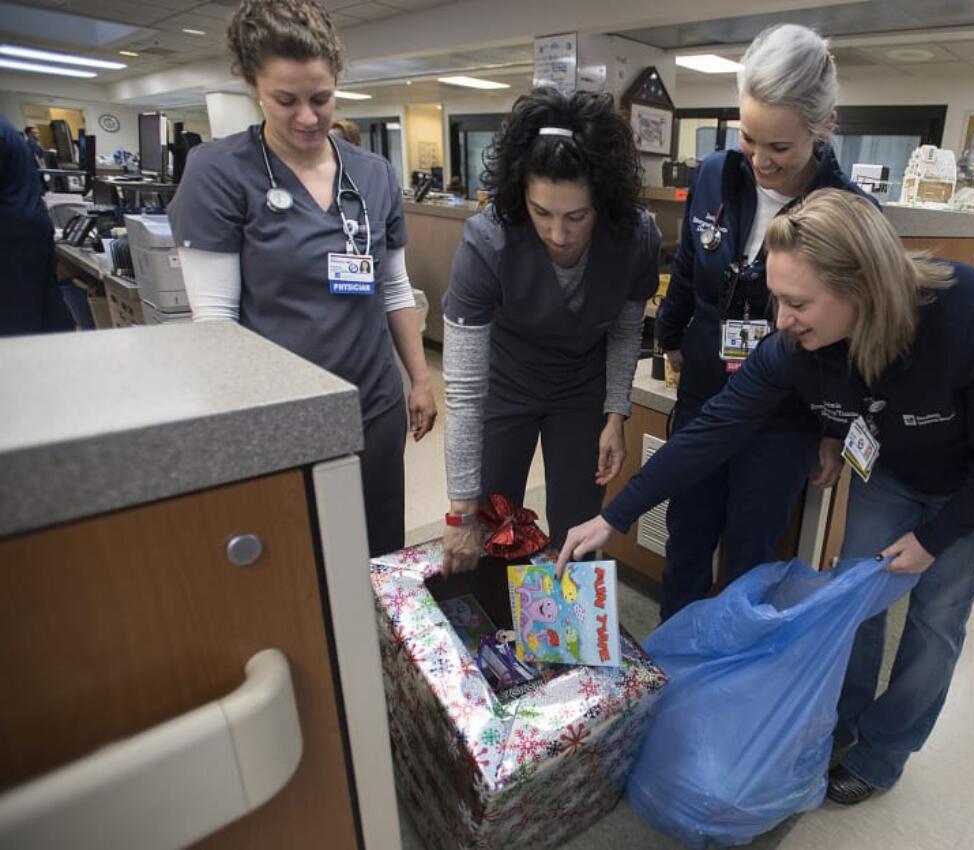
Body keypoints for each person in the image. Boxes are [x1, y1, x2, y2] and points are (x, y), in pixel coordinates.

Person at [557, 189, 974, 805]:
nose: (781, 319)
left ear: (861, 285)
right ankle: (837, 724)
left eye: (797, 302)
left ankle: (881, 755)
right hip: (892, 468)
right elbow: (713, 430)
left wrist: (934, 539)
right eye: (777, 299)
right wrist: (615, 516)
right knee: (854, 597)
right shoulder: (793, 348)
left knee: (936, 620)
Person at [168, 0, 436, 556]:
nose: (309, 117)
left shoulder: (373, 173)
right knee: (302, 557)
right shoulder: (220, 172)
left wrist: (419, 379)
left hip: (373, 403)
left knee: (377, 548)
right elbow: (216, 325)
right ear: (252, 87)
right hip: (280, 413)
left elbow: (392, 287)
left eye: (321, 98)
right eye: (285, 100)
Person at [650, 23, 873, 620]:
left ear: (823, 127)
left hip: (784, 414)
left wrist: (834, 429)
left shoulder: (850, 212)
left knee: (750, 559)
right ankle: (677, 674)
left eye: (781, 147)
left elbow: (856, 337)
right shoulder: (716, 173)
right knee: (687, 540)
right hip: (704, 394)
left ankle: (731, 686)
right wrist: (671, 339)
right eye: (751, 139)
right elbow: (693, 266)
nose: (761, 161)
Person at [440, 87, 660, 574]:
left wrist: (616, 412)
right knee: (492, 523)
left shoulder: (636, 236)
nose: (558, 235)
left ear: (603, 202)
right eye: (542, 213)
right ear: (522, 195)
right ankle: (498, 633)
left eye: (576, 216)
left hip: (582, 388)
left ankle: (570, 639)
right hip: (504, 385)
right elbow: (463, 389)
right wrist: (459, 509)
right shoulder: (487, 242)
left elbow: (626, 330)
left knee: (578, 532)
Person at [1, 116, 73, 335]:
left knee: (19, 320)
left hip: (12, 236)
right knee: (43, 309)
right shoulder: (6, 129)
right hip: (24, 229)